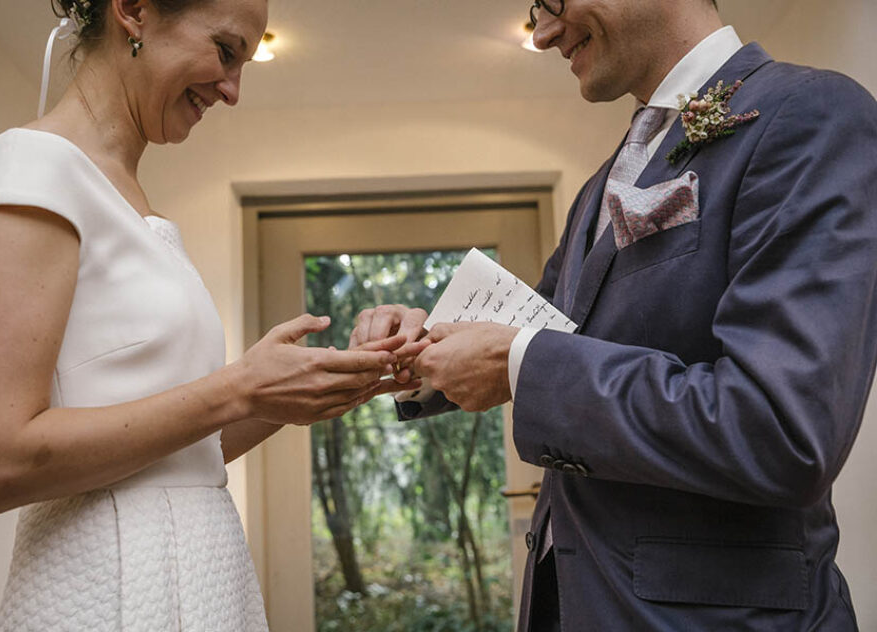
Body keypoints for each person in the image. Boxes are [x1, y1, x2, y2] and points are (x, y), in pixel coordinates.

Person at [352, 0, 877, 629]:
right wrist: (418, 349)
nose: (543, 31)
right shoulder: (604, 182)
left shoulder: (812, 114)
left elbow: (780, 429)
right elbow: (535, 327)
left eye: (552, 2)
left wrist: (520, 366)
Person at [0, 0, 421, 629]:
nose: (232, 90)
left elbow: (180, 450)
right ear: (135, 11)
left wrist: (318, 382)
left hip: (195, 577)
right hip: (110, 590)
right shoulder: (32, 165)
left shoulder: (126, 191)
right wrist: (238, 386)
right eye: (225, 51)